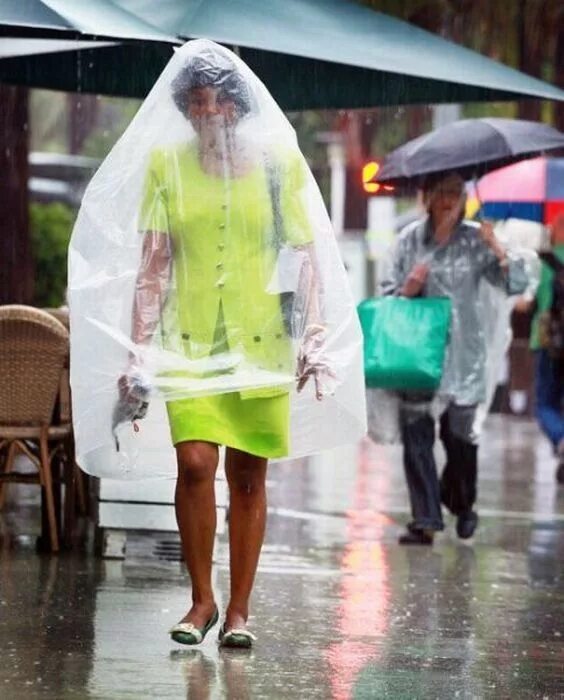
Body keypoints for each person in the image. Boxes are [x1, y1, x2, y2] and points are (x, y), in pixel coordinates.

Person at [68, 40, 366, 647]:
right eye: (197, 103)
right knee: (196, 463)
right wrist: (138, 350)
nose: (209, 114)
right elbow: (154, 264)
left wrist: (314, 332)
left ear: (237, 106)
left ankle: (240, 611)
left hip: (260, 344)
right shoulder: (166, 165)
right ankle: (200, 599)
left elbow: (309, 255)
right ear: (186, 109)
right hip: (190, 342)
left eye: (219, 102)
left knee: (249, 476)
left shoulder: (278, 162)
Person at [380, 172, 528, 545]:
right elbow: (386, 298)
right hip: (417, 357)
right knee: (416, 437)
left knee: (460, 438)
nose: (449, 201)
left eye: (455, 193)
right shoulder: (408, 242)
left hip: (465, 357)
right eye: (441, 193)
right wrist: (407, 290)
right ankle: (426, 519)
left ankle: (461, 502)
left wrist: (497, 247)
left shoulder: (477, 239)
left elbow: (516, 285)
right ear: (426, 197)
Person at [528, 214, 564, 483]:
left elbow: (528, 301)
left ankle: (561, 440)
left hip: (548, 343)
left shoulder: (546, 262)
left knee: (545, 405)